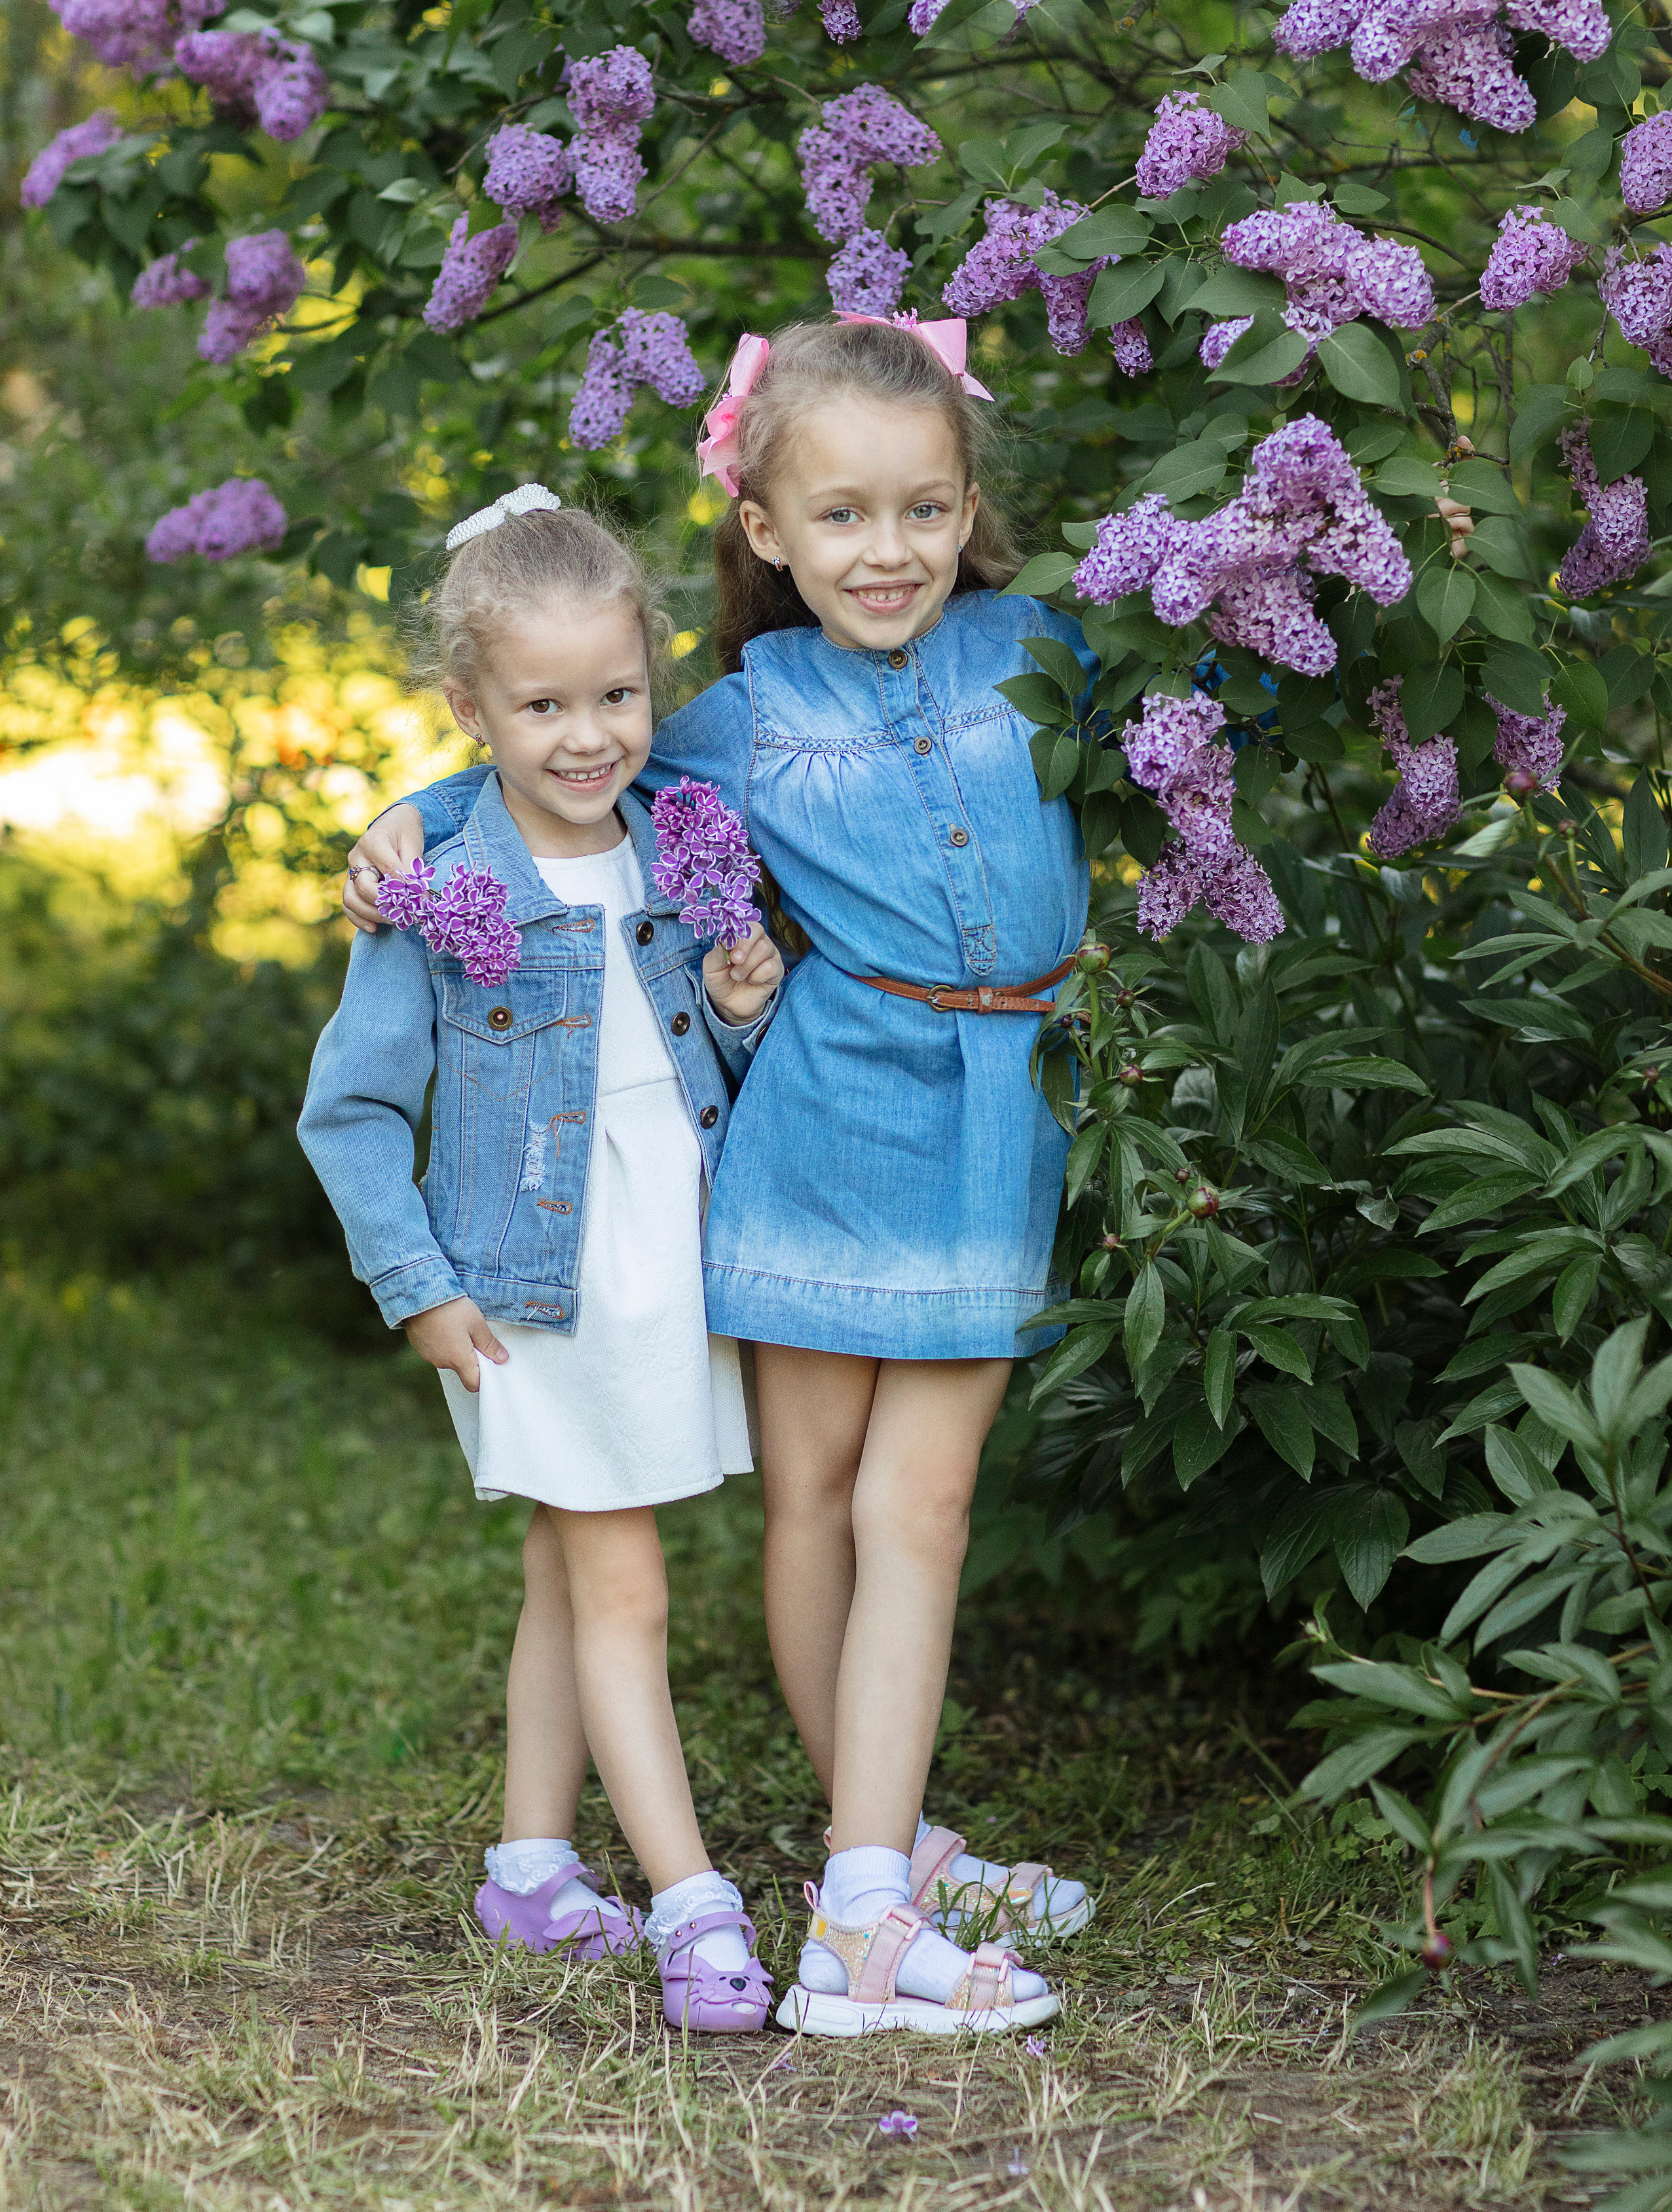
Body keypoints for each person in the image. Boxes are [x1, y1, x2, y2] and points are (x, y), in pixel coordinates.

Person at [344, 320, 1095, 2037]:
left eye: (924, 509)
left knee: (922, 1504)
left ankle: (878, 1871)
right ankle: (876, 1879)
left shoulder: (1041, 646)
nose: (887, 550)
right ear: (764, 529)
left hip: (995, 1124)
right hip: (820, 1126)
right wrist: (407, 813)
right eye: (842, 515)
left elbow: (1226, 691)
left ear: (971, 505)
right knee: (825, 1503)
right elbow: (558, 762)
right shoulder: (738, 720)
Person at [299, 490, 785, 2033]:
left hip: (663, 1255)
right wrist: (415, 1284)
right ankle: (693, 1906)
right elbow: (353, 1108)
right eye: (543, 705)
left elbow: (686, 1055)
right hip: (527, 1278)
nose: (589, 735)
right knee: (623, 1588)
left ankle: (527, 1868)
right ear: (472, 711)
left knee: (565, 1578)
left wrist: (737, 994)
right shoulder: (438, 884)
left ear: (652, 675)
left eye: (619, 694)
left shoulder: (677, 838)